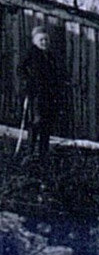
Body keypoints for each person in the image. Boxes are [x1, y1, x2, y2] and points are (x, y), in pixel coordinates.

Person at [17, 26, 63, 157]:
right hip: (36, 94)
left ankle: (43, 152)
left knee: (47, 123)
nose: (44, 42)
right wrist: (27, 81)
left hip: (49, 94)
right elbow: (20, 69)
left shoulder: (50, 56)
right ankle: (30, 152)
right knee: (36, 122)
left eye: (46, 39)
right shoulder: (31, 53)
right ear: (35, 41)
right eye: (41, 40)